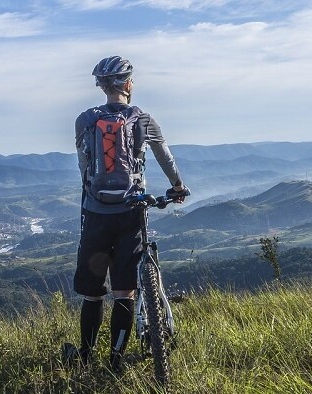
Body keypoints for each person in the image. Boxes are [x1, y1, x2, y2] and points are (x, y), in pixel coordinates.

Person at [64, 55, 190, 373]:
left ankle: (84, 357)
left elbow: (83, 167)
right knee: (125, 290)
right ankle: (116, 360)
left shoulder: (84, 120)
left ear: (102, 86)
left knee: (93, 295)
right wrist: (177, 186)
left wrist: (92, 197)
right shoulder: (143, 119)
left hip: (95, 213)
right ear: (128, 84)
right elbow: (165, 156)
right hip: (131, 212)